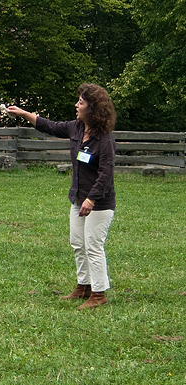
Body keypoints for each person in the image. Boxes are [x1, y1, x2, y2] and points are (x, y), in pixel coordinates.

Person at [7, 84, 117, 310]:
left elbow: (106, 174)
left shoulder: (104, 139)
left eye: (81, 102)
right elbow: (50, 126)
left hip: (99, 203)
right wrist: (23, 113)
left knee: (93, 245)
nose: (76, 105)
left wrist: (92, 200)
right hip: (78, 198)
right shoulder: (76, 128)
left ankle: (99, 294)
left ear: (93, 109)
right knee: (78, 243)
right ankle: (83, 286)